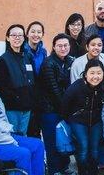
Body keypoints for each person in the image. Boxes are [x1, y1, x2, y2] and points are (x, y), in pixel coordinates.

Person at [62, 59, 104, 175]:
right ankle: (82, 172)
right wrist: (70, 119)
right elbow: (65, 105)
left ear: (103, 73)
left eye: (99, 73)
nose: (95, 76)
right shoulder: (77, 86)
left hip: (96, 120)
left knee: (94, 149)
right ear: (86, 73)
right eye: (92, 73)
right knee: (83, 147)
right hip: (78, 120)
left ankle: (93, 171)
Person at [39, 33, 74, 175]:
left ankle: (64, 167)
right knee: (52, 140)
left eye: (66, 45)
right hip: (50, 110)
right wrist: (66, 110)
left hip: (63, 108)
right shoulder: (49, 63)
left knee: (63, 139)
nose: (63, 48)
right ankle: (54, 170)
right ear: (54, 47)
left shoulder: (70, 61)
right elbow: (54, 91)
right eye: (60, 45)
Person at [0, 24, 36, 136]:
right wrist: (15, 98)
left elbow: (33, 80)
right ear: (8, 38)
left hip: (27, 108)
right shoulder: (2, 60)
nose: (17, 38)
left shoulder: (27, 57)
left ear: (24, 38)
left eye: (20, 35)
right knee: (13, 136)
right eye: (13, 35)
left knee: (23, 135)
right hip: (12, 109)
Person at [25, 21, 48, 139]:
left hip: (40, 93)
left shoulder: (43, 52)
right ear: (27, 34)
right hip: (27, 94)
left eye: (39, 32)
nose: (36, 34)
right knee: (30, 128)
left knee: (39, 127)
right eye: (33, 31)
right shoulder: (22, 51)